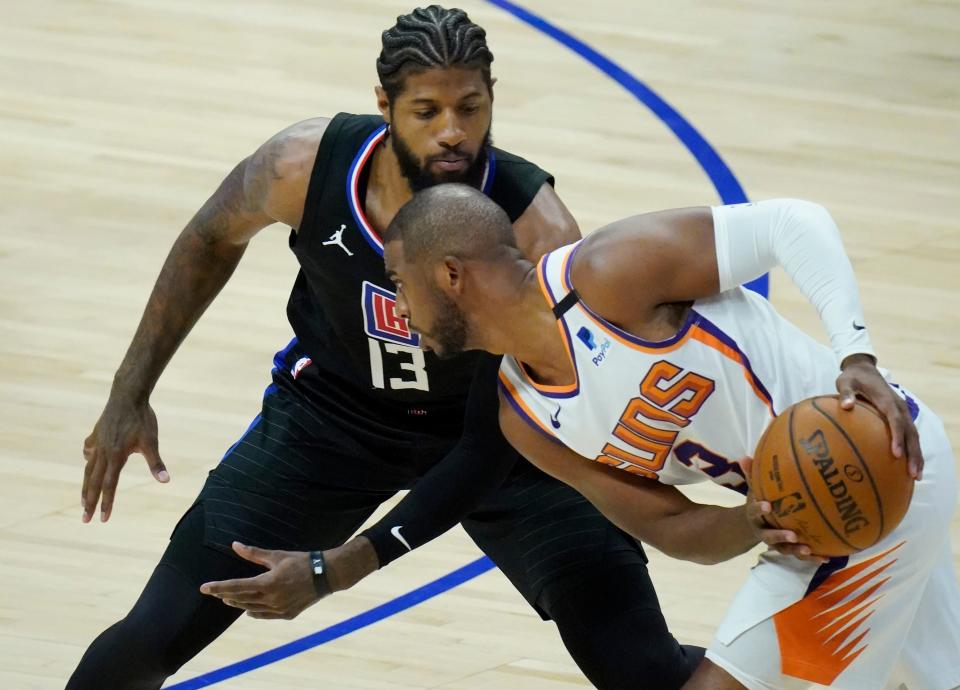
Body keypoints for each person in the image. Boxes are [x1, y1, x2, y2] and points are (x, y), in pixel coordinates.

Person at [68, 6, 704, 690]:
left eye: (471, 107)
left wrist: (346, 564)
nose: (453, 132)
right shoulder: (302, 167)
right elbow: (207, 239)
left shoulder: (537, 229)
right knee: (148, 640)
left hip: (506, 441)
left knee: (643, 671)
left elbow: (495, 441)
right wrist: (129, 392)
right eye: (426, 111)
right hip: (329, 424)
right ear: (384, 105)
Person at [381, 184, 960, 690]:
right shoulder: (524, 418)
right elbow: (670, 527)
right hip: (816, 515)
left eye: (399, 284)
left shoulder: (605, 276)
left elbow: (792, 222)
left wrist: (855, 354)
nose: (398, 310)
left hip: (880, 460)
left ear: (450, 275)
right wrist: (749, 521)